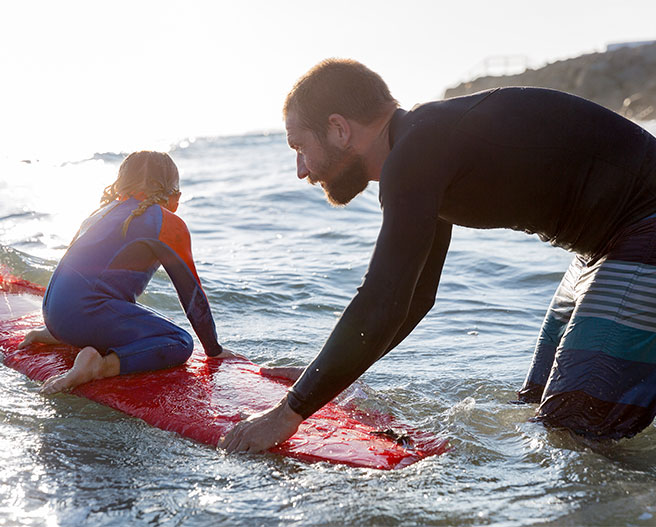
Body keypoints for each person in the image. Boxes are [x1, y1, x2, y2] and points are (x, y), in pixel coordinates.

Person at [218, 58, 656, 453]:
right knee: (540, 405)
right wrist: (322, 378)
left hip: (642, 228)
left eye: (299, 146)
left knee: (574, 429)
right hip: (608, 245)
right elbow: (414, 297)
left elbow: (382, 300)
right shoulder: (425, 143)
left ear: (339, 128)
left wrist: (287, 414)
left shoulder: (417, 153)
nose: (301, 169)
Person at [20, 150, 236, 394]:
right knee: (180, 341)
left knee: (111, 301)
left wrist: (60, 326)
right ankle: (98, 366)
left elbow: (71, 271)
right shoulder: (166, 223)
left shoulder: (97, 213)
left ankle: (61, 335)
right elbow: (192, 295)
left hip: (54, 315)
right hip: (83, 317)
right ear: (175, 194)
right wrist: (213, 350)